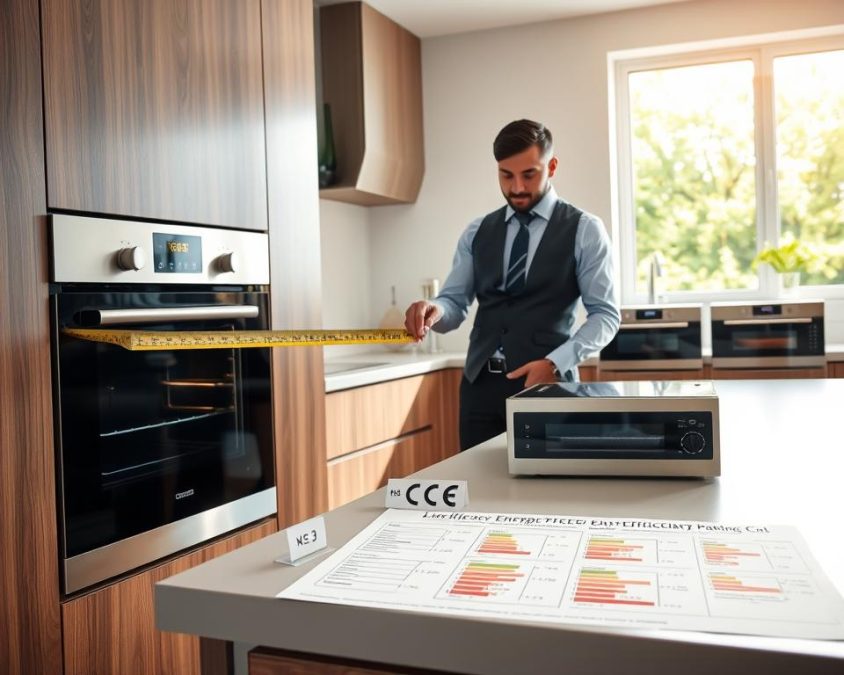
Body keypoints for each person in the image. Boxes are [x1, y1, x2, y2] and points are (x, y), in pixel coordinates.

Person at [404, 119, 620, 451]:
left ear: (552, 166)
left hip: (550, 386)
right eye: (506, 175)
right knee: (480, 494)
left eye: (529, 174)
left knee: (551, 497)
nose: (517, 187)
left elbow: (606, 316)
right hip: (479, 391)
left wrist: (555, 363)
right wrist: (434, 310)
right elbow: (454, 303)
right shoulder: (477, 231)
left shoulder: (585, 230)